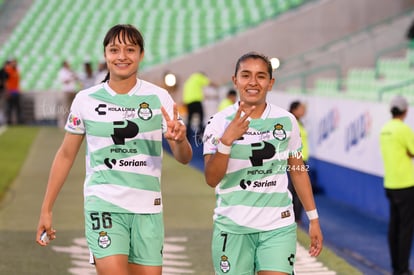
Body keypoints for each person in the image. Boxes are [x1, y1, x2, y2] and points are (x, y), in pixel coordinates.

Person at [36, 24, 193, 275]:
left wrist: (180, 139)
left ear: (141, 55)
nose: (122, 56)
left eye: (130, 49)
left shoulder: (160, 97)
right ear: (105, 55)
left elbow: (184, 158)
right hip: (104, 204)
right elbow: (66, 154)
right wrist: (46, 209)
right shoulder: (86, 99)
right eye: (114, 49)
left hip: (148, 209)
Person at [203, 51, 323, 275]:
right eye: (246, 75)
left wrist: (313, 218)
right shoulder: (218, 122)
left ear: (270, 83)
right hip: (233, 226)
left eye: (260, 76)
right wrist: (227, 141)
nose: (253, 82)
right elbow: (211, 179)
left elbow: (297, 171)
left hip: (278, 225)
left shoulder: (287, 121)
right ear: (235, 80)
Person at [380, 95, 414, 275]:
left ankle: (395, 267)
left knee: (394, 227)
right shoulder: (404, 130)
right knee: (406, 229)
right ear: (405, 111)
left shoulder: (385, 129)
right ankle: (403, 269)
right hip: (406, 184)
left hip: (390, 184)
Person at [287, 100, 309, 224]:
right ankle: (291, 216)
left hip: (302, 159)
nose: (304, 111)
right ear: (294, 109)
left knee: (300, 190)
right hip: (295, 159)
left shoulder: (300, 123)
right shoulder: (291, 122)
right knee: (294, 189)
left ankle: (297, 217)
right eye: (301, 108)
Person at [182, 71, 215, 137]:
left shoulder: (188, 81)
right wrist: (217, 86)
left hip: (188, 102)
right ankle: (201, 133)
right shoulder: (198, 77)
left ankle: (186, 135)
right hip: (196, 100)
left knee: (189, 119)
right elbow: (209, 82)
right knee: (201, 116)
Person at [58, 60, 79, 128]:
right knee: (65, 108)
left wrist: (73, 76)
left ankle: (71, 123)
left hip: (72, 91)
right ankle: (63, 123)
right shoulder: (62, 71)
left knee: (72, 108)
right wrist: (72, 77)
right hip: (66, 91)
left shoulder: (70, 71)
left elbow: (76, 78)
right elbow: (64, 81)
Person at [4, 58, 23, 125]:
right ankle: (9, 121)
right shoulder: (8, 70)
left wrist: (19, 89)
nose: (14, 63)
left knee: (18, 107)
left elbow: (18, 81)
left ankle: (19, 121)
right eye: (13, 62)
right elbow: (6, 82)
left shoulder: (17, 71)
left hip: (16, 91)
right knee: (9, 107)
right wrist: (7, 91)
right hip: (10, 91)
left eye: (15, 62)